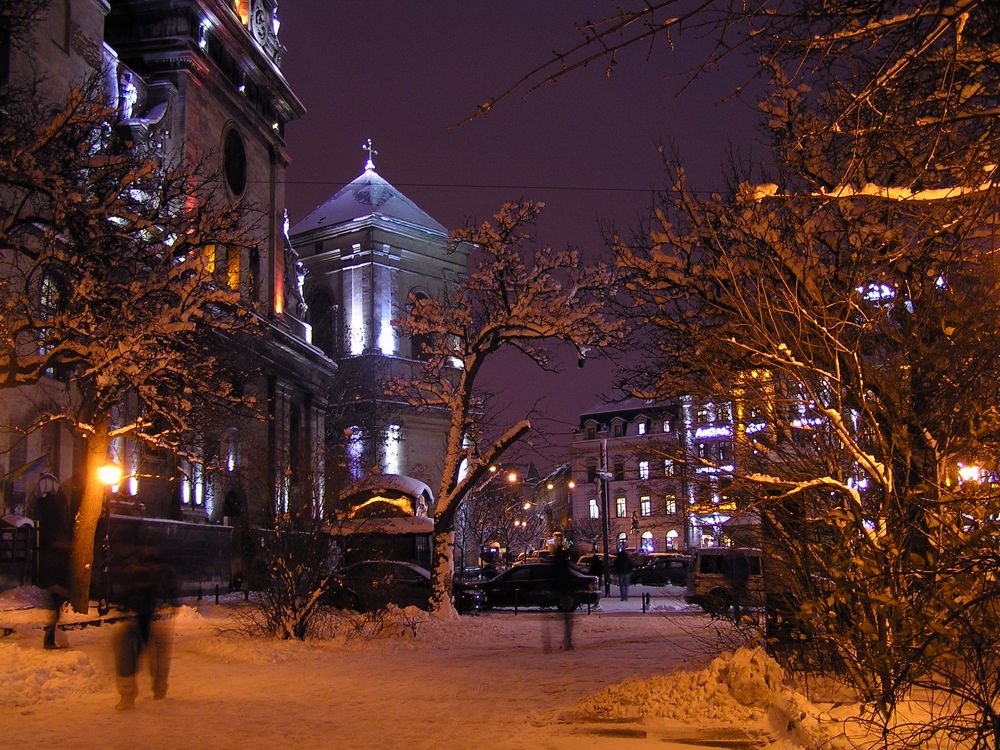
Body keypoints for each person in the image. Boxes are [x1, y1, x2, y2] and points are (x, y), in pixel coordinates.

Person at [113, 543, 176, 709]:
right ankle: (159, 690)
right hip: (156, 618)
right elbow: (171, 591)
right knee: (159, 657)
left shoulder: (133, 572)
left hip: (137, 617)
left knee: (126, 654)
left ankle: (127, 696)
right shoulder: (164, 572)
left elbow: (124, 595)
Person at [546, 545, 576, 651]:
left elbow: (552, 578)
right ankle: (568, 640)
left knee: (562, 619)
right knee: (568, 619)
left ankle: (561, 641)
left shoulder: (554, 564)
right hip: (566, 592)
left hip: (558, 592)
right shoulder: (564, 564)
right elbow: (569, 577)